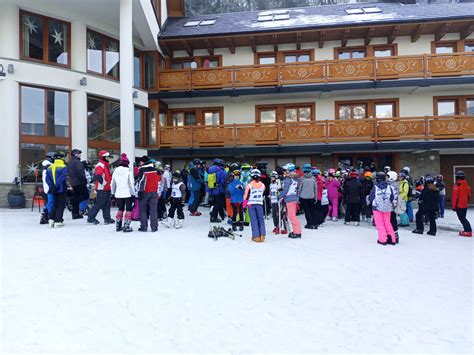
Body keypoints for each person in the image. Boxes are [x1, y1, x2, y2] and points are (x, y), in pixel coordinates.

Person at [369, 171, 397, 245]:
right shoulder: (389, 187)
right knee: (387, 223)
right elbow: (392, 198)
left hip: (377, 208)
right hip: (387, 208)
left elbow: (371, 198)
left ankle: (383, 239)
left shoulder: (375, 187)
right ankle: (392, 239)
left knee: (380, 224)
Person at [87, 150, 114, 225]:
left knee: (107, 204)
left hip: (106, 188)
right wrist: (104, 183)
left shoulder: (105, 165)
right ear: (104, 157)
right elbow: (98, 176)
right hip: (102, 188)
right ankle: (91, 217)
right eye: (108, 157)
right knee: (99, 203)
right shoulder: (100, 165)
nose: (109, 158)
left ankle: (107, 218)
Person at [111, 153, 134, 233]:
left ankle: (118, 225)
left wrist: (113, 193)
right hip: (127, 193)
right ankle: (126, 226)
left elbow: (113, 184)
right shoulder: (129, 171)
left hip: (118, 193)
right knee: (128, 209)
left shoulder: (115, 171)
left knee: (120, 208)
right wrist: (133, 193)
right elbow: (131, 183)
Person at [137, 156, 160, 232]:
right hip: (154, 192)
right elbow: (159, 180)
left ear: (143, 162)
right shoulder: (156, 170)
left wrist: (140, 191)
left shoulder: (142, 170)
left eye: (141, 162)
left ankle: (144, 227)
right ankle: (154, 227)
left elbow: (141, 181)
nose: (140, 163)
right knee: (153, 210)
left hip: (145, 192)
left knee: (143, 209)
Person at [45, 152, 68, 228]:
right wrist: (56, 185)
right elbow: (62, 178)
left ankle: (51, 219)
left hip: (53, 189)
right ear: (62, 158)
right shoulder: (64, 167)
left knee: (55, 204)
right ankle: (58, 221)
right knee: (61, 205)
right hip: (61, 188)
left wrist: (52, 186)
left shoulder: (49, 168)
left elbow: (47, 179)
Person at [243, 169, 266, 242]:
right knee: (261, 220)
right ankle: (262, 235)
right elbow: (262, 193)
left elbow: (245, 196)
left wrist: (244, 206)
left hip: (251, 205)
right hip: (259, 204)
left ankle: (256, 236)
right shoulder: (263, 185)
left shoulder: (249, 185)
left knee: (254, 220)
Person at [280, 163, 301, 239]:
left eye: (285, 170)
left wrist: (279, 196)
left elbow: (285, 190)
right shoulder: (296, 178)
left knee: (292, 216)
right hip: (294, 198)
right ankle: (296, 231)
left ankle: (297, 232)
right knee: (292, 215)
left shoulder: (288, 179)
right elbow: (298, 189)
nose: (284, 172)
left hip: (289, 199)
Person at [68, 149, 89, 220]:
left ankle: (75, 213)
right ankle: (73, 203)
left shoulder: (70, 162)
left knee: (77, 196)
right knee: (85, 195)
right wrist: (84, 180)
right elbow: (80, 173)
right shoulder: (78, 162)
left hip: (73, 182)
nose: (80, 155)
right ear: (76, 154)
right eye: (79, 153)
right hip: (79, 182)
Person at [297, 163, 318, 229]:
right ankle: (315, 224)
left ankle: (310, 224)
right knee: (312, 210)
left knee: (307, 211)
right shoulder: (314, 178)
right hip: (312, 196)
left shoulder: (301, 178)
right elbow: (315, 188)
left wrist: (298, 197)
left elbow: (299, 189)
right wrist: (315, 197)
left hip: (303, 197)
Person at [452, 170, 472, 237]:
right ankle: (466, 230)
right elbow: (469, 195)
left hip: (459, 205)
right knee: (463, 218)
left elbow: (455, 196)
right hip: (465, 204)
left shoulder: (457, 185)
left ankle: (468, 231)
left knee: (462, 219)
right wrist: (467, 202)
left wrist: (453, 206)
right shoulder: (466, 184)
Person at [207, 158, 227, 223]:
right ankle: (213, 217)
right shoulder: (222, 172)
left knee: (218, 203)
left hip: (213, 189)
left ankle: (222, 215)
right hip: (220, 190)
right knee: (217, 204)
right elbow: (224, 182)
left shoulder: (211, 171)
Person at [39, 153, 54, 224]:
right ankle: (47, 216)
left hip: (47, 187)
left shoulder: (46, 166)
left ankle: (46, 216)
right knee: (50, 202)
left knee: (49, 202)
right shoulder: (48, 167)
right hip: (49, 187)